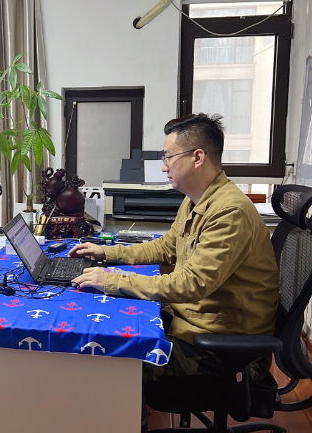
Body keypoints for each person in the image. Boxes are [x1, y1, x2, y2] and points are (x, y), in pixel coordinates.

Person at [69, 113, 279, 430]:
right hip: (192, 324)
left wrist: (111, 280)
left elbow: (190, 285)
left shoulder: (229, 211)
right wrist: (107, 253)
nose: (164, 167)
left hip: (222, 349)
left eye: (168, 157)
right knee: (111, 326)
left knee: (119, 360)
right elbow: (166, 248)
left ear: (197, 157)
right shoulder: (196, 200)